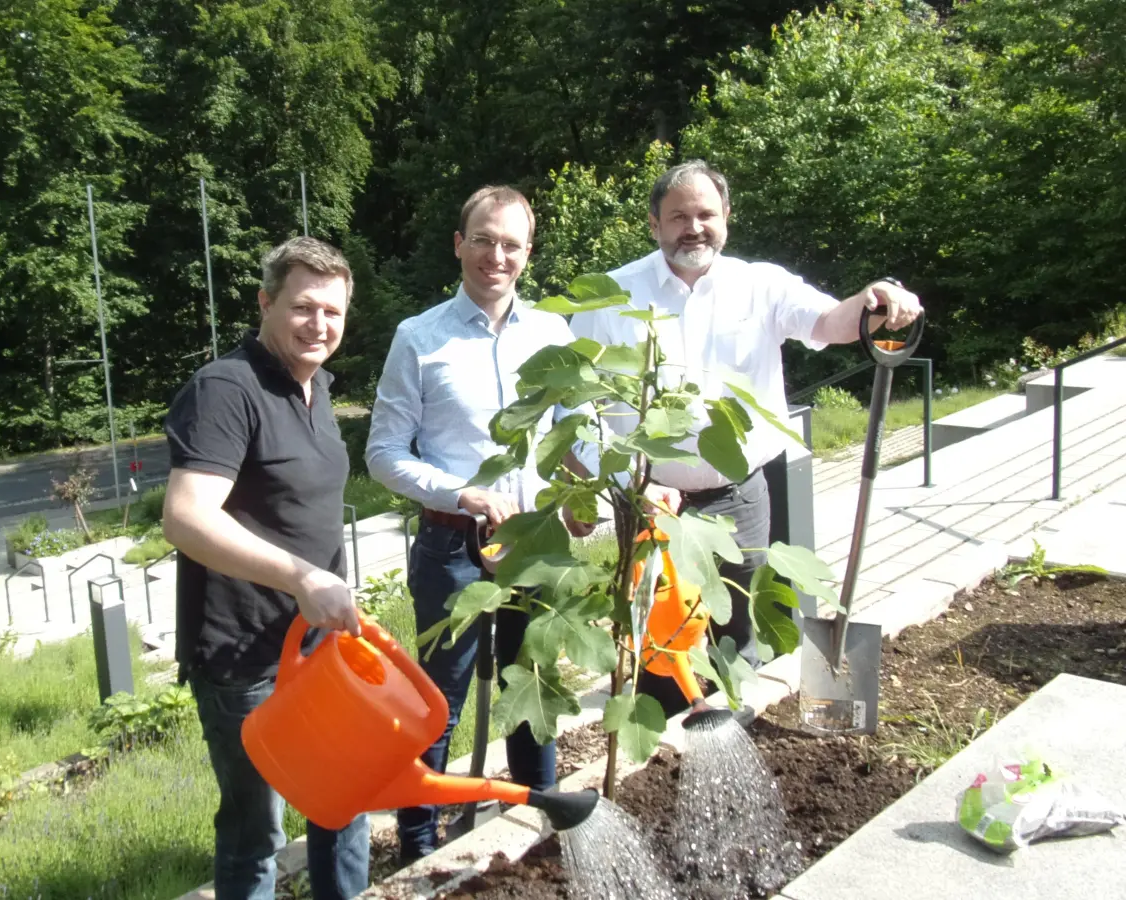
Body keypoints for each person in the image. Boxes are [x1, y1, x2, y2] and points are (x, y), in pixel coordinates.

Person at [569, 159, 923, 715]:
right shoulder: (612, 295)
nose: (694, 226)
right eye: (678, 215)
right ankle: (661, 751)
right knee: (661, 646)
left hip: (741, 498)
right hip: (652, 503)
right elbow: (576, 403)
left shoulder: (760, 284)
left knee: (737, 637)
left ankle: (736, 728)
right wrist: (620, 483)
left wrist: (873, 302)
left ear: (727, 217)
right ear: (654, 223)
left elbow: (829, 322)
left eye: (706, 213)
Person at [366, 185, 585, 863]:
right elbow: (382, 454)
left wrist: (590, 488)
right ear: (459, 244)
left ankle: (541, 820)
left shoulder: (553, 334)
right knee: (437, 698)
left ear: (528, 252)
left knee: (533, 684)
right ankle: (417, 841)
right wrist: (464, 494)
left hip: (537, 539)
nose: (497, 256)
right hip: (451, 544)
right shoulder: (419, 337)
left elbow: (573, 433)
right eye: (484, 240)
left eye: (512, 244)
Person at [161, 236, 368, 900]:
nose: (319, 325)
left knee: (343, 798)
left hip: (316, 646)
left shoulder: (317, 388)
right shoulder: (228, 388)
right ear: (265, 302)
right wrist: (303, 578)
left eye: (333, 312)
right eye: (304, 307)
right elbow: (188, 517)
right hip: (244, 656)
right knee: (257, 835)